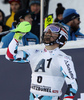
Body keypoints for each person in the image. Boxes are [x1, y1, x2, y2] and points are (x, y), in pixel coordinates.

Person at [6, 22, 78, 100]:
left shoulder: (63, 58)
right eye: (47, 30)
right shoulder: (34, 53)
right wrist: (18, 36)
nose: (48, 32)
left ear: (61, 37)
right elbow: (10, 55)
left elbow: (73, 85)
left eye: (53, 30)